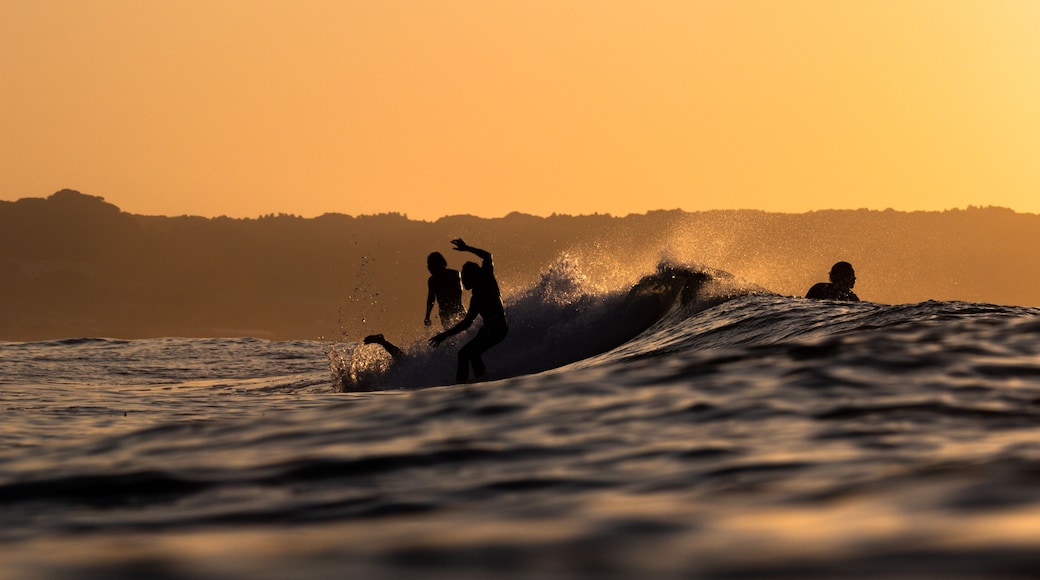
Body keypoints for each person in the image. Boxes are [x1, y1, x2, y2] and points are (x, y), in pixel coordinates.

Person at [429, 239, 509, 383]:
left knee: (464, 354)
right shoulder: (478, 291)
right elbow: (467, 322)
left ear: (473, 276)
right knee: (472, 353)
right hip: (490, 329)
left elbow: (488, 256)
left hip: (497, 329)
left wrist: (444, 335)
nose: (463, 282)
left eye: (465, 278)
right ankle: (482, 379)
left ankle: (461, 387)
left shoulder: (486, 281)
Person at [424, 251, 465, 329]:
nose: (429, 267)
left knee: (465, 328)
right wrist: (427, 316)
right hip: (444, 313)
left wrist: (455, 306)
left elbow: (459, 290)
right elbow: (431, 299)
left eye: (431, 264)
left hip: (458, 309)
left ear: (439, 264)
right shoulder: (432, 280)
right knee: (449, 333)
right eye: (428, 264)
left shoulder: (454, 274)